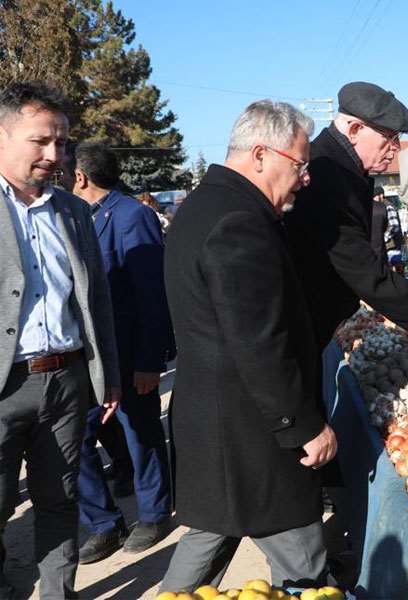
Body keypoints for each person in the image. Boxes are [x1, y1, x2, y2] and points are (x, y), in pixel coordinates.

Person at [159, 100, 336, 593]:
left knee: (206, 543)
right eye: (299, 164)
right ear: (261, 154)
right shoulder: (239, 221)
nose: (305, 178)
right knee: (304, 564)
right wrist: (304, 426)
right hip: (253, 434)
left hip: (221, 427)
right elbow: (259, 340)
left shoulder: (208, 204)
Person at [0, 81, 120, 599]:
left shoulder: (72, 212)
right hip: (5, 388)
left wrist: (105, 375)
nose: (56, 155)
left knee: (60, 500)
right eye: (41, 141)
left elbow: (95, 304)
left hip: (67, 382)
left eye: (63, 142)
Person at [284, 81, 408, 354]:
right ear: (355, 129)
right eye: (388, 138)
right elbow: (359, 266)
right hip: (303, 323)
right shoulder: (325, 176)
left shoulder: (344, 169)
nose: (394, 148)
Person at [63, 142, 174, 563]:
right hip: (87, 357)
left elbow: (152, 295)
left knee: (140, 432)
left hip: (129, 353)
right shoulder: (73, 218)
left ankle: (154, 512)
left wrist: (150, 360)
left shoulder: (132, 216)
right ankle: (104, 524)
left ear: (80, 177)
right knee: (76, 438)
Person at [370, 186, 389, 263]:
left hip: (368, 246)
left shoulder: (364, 206)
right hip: (381, 244)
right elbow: (388, 226)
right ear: (380, 195)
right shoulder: (383, 206)